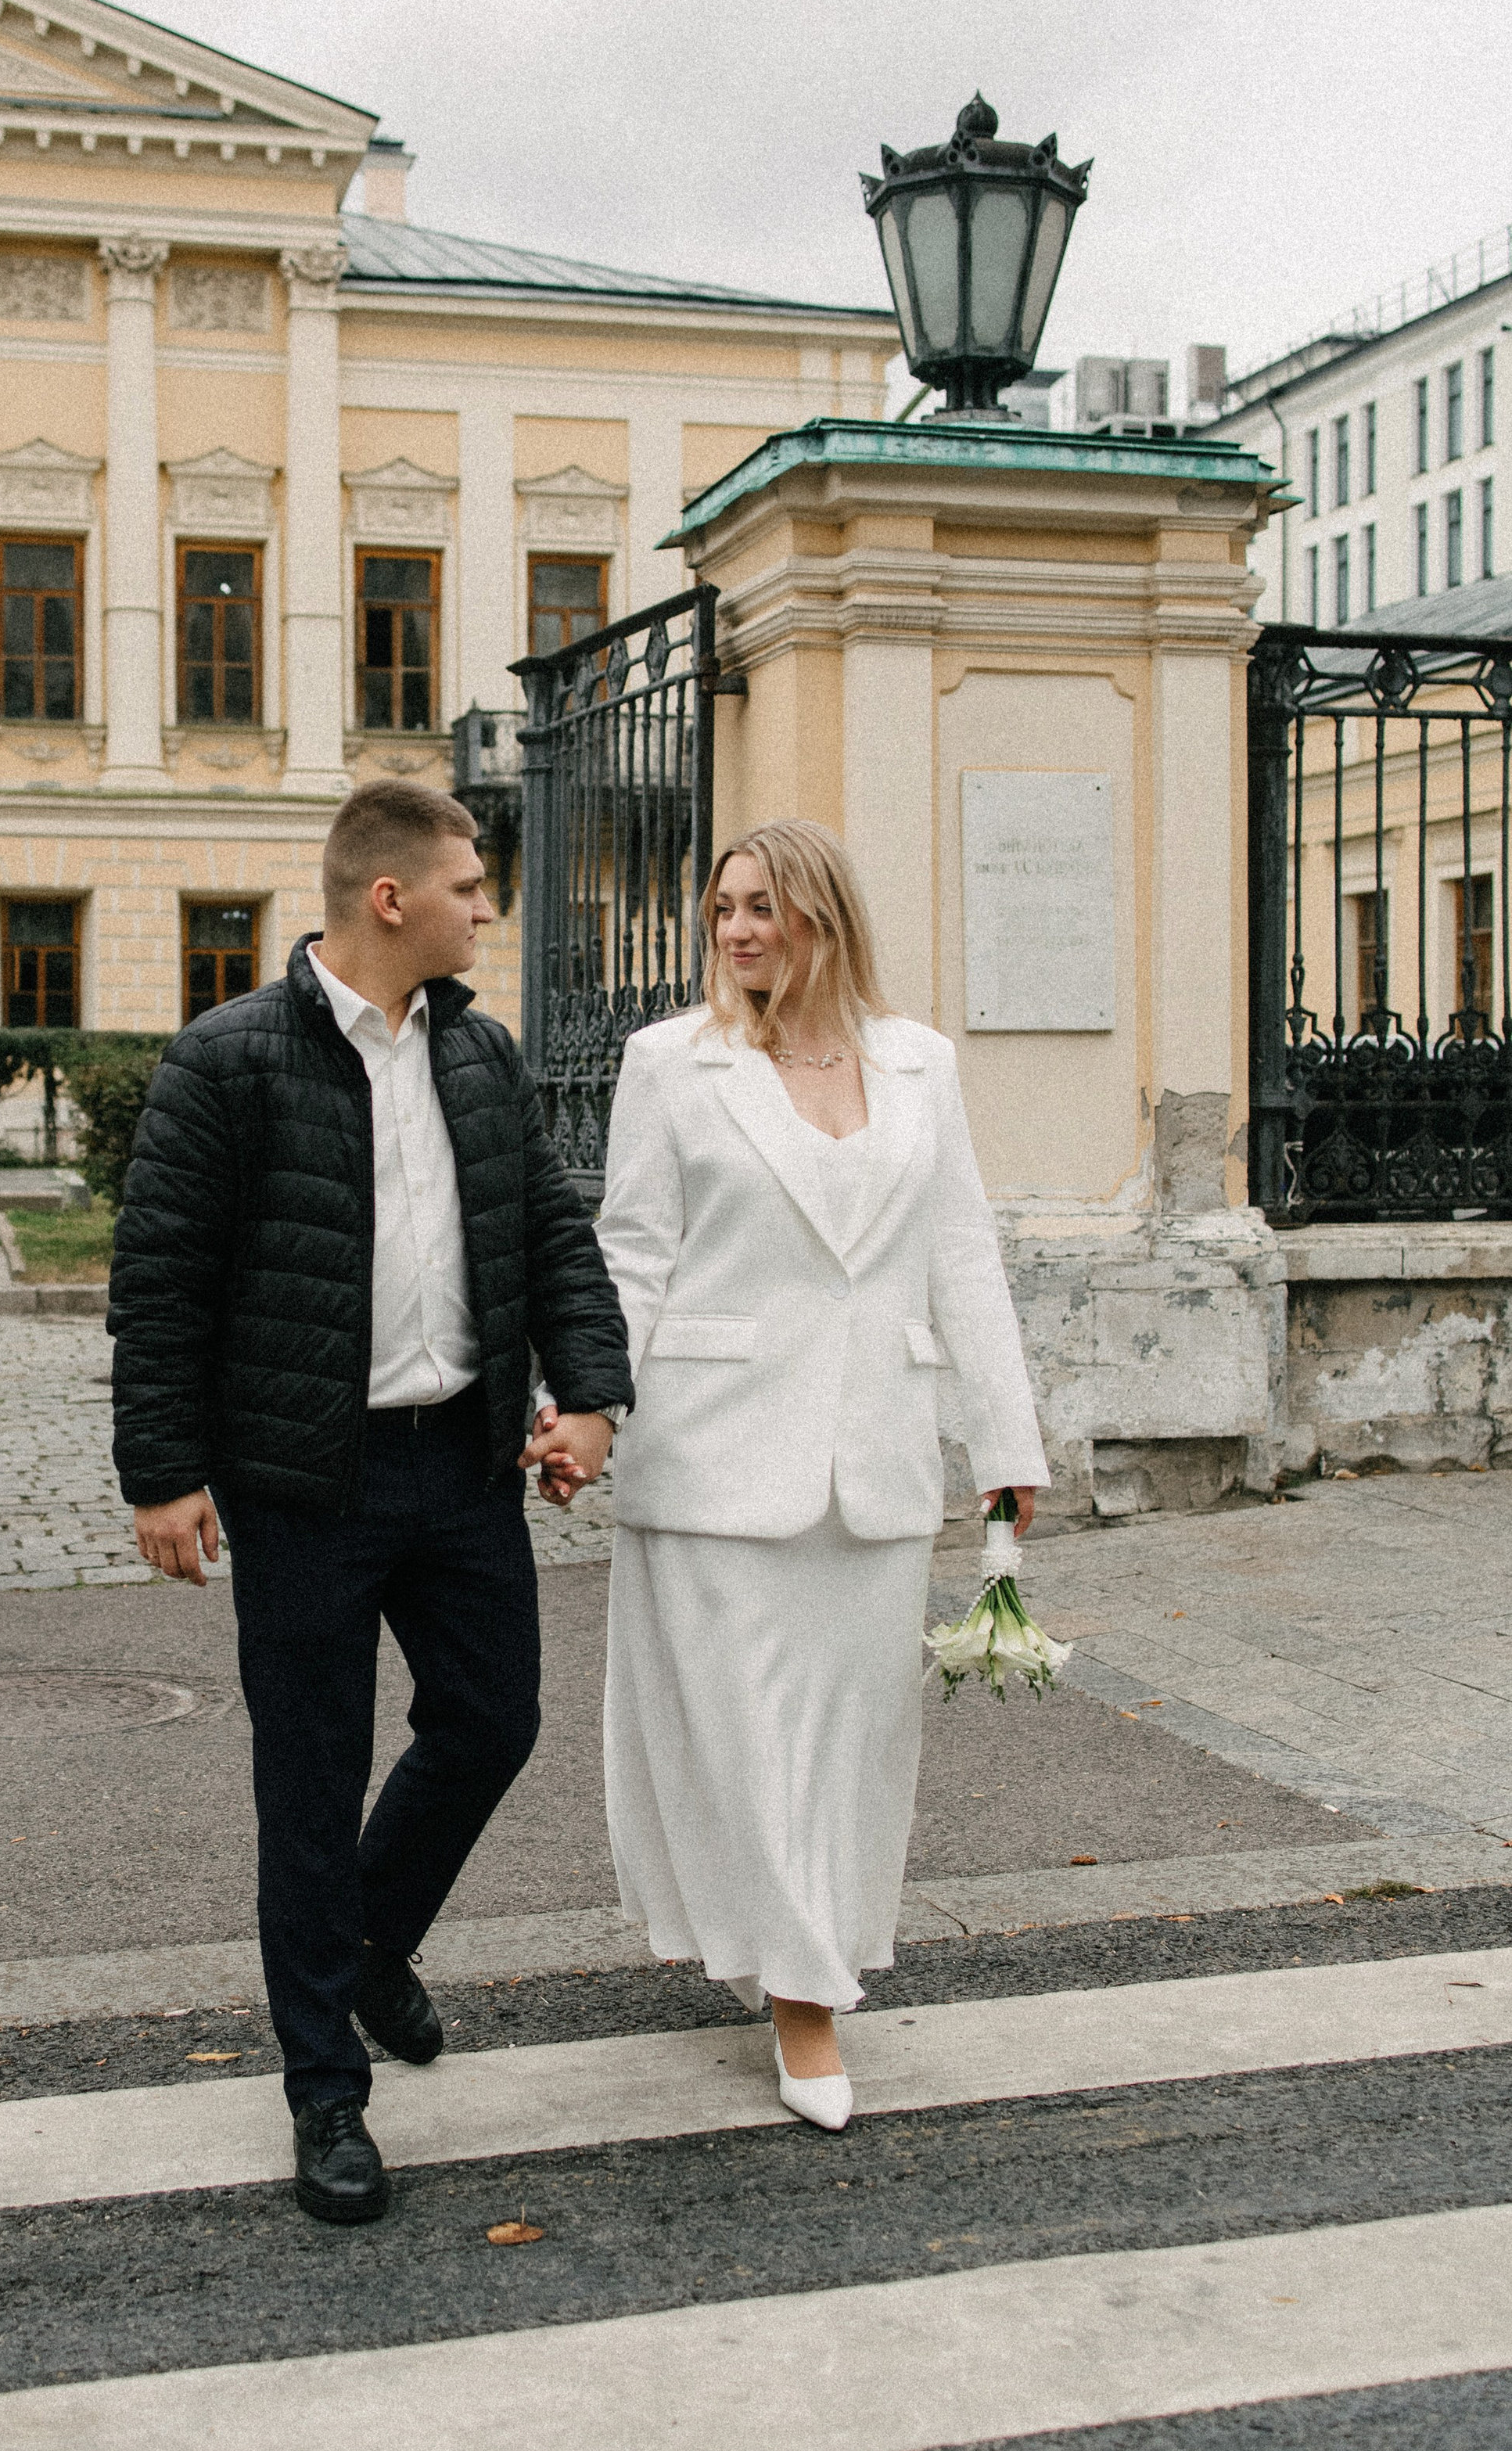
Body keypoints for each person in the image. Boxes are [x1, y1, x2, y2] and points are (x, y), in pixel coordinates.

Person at [110, 781, 632, 2224]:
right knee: (311, 1772)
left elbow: (553, 1239)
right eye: (471, 884)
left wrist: (586, 1395)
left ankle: (371, 1936)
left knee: (493, 1717)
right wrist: (162, 1471)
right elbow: (159, 1282)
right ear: (389, 899)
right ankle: (325, 2090)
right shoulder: (229, 1062)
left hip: (461, 1465)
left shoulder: (485, 1057)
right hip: (303, 1481)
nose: (489, 905)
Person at [594, 816, 1046, 2130]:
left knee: (849, 1743)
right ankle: (807, 2003)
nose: (737, 930)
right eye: (724, 908)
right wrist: (589, 1413)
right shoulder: (670, 1064)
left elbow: (964, 1255)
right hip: (713, 1454)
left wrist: (1007, 1446)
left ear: (825, 920)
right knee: (746, 1735)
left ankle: (796, 1943)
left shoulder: (921, 1064)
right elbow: (634, 1255)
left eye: (764, 908)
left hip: (877, 1460)